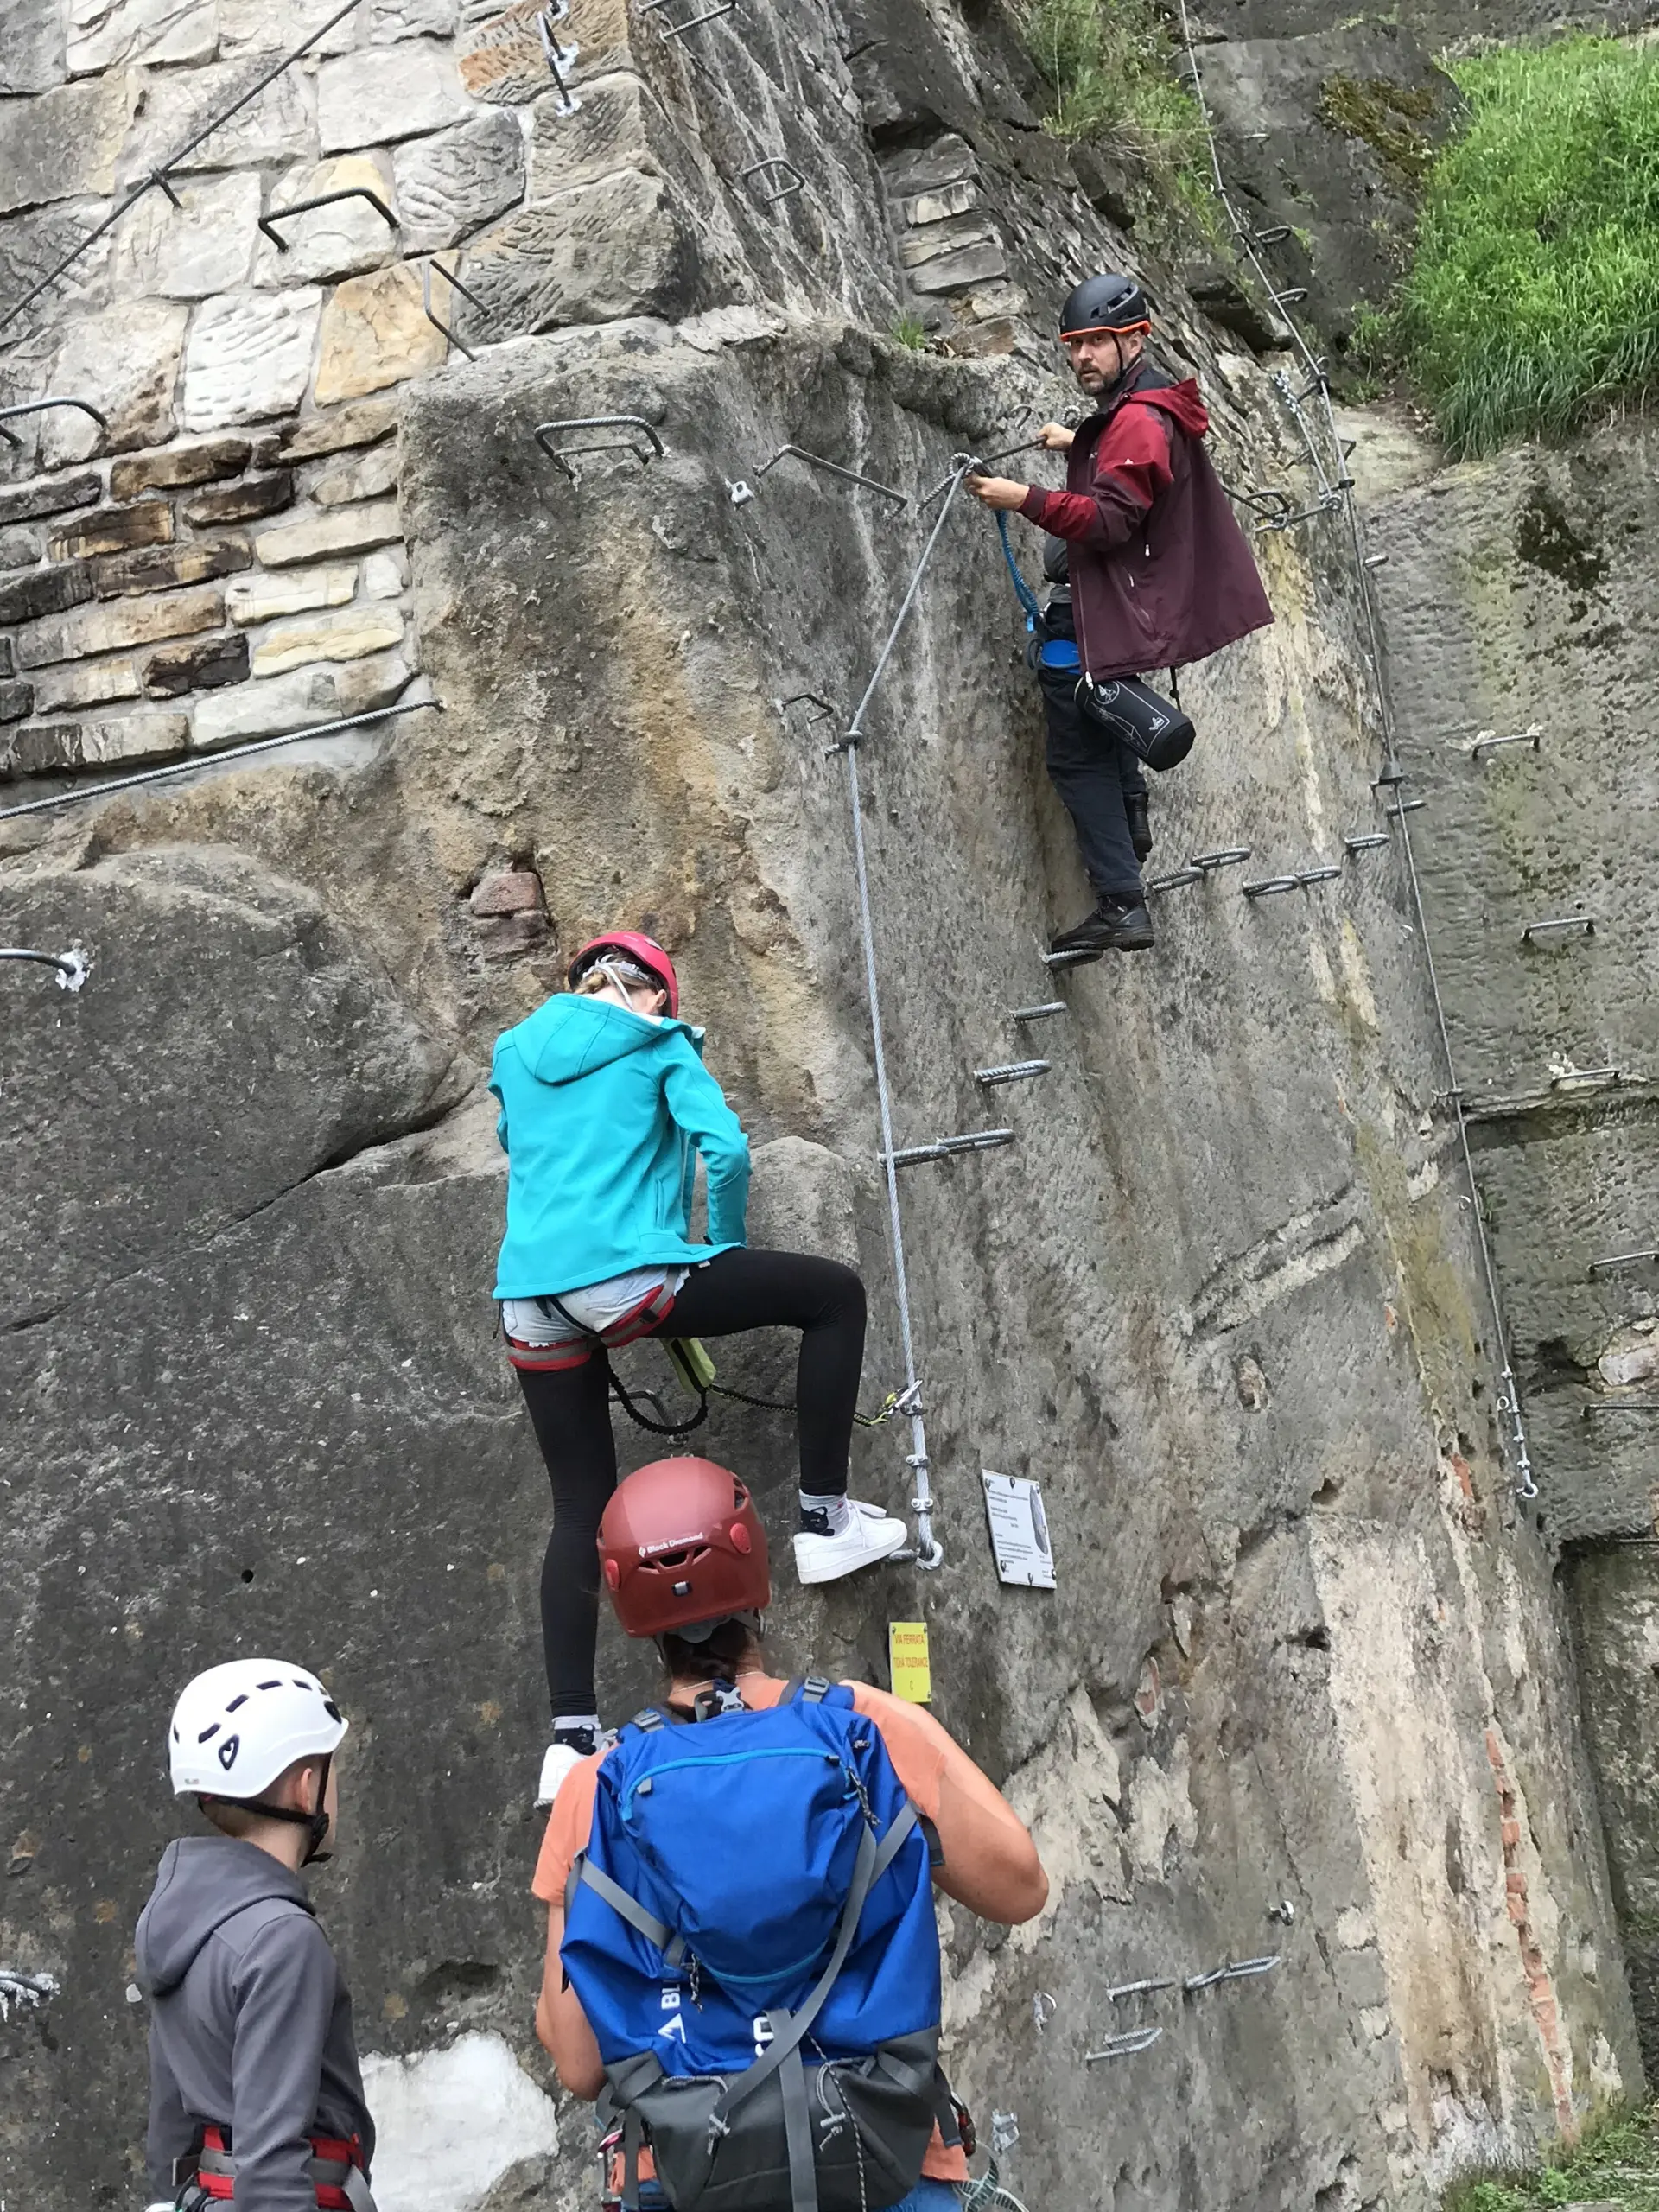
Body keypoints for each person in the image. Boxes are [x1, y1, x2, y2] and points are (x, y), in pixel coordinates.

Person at [532, 1458, 1048, 2212]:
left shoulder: (595, 1789)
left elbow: (579, 2062)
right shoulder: (858, 1728)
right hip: (878, 2162)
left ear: (627, 1606)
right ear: (755, 1571)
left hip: (685, 2175)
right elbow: (1019, 1886)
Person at [492, 931, 909, 1807]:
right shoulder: (660, 1043)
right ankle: (826, 1520)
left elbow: (526, 1150)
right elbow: (725, 1150)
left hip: (531, 1298)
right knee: (835, 1296)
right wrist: (719, 1249)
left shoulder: (515, 1053)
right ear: (655, 996)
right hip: (627, 1274)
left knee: (578, 1504)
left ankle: (569, 1742)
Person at [969, 272, 1274, 959]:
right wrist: (1075, 443)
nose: (1082, 357)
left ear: (1135, 337)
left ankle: (1121, 903)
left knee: (1074, 750)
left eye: (1097, 344)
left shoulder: (1138, 418)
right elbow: (1120, 457)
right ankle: (1131, 817)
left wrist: (1024, 497)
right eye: (1073, 346)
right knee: (1097, 712)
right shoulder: (1137, 407)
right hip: (1125, 604)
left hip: (1109, 605)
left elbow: (1109, 520)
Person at [136, 1661, 374, 2212]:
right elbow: (270, 2165)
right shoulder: (284, 1940)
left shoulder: (180, 1916)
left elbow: (172, 2129)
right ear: (307, 1786)